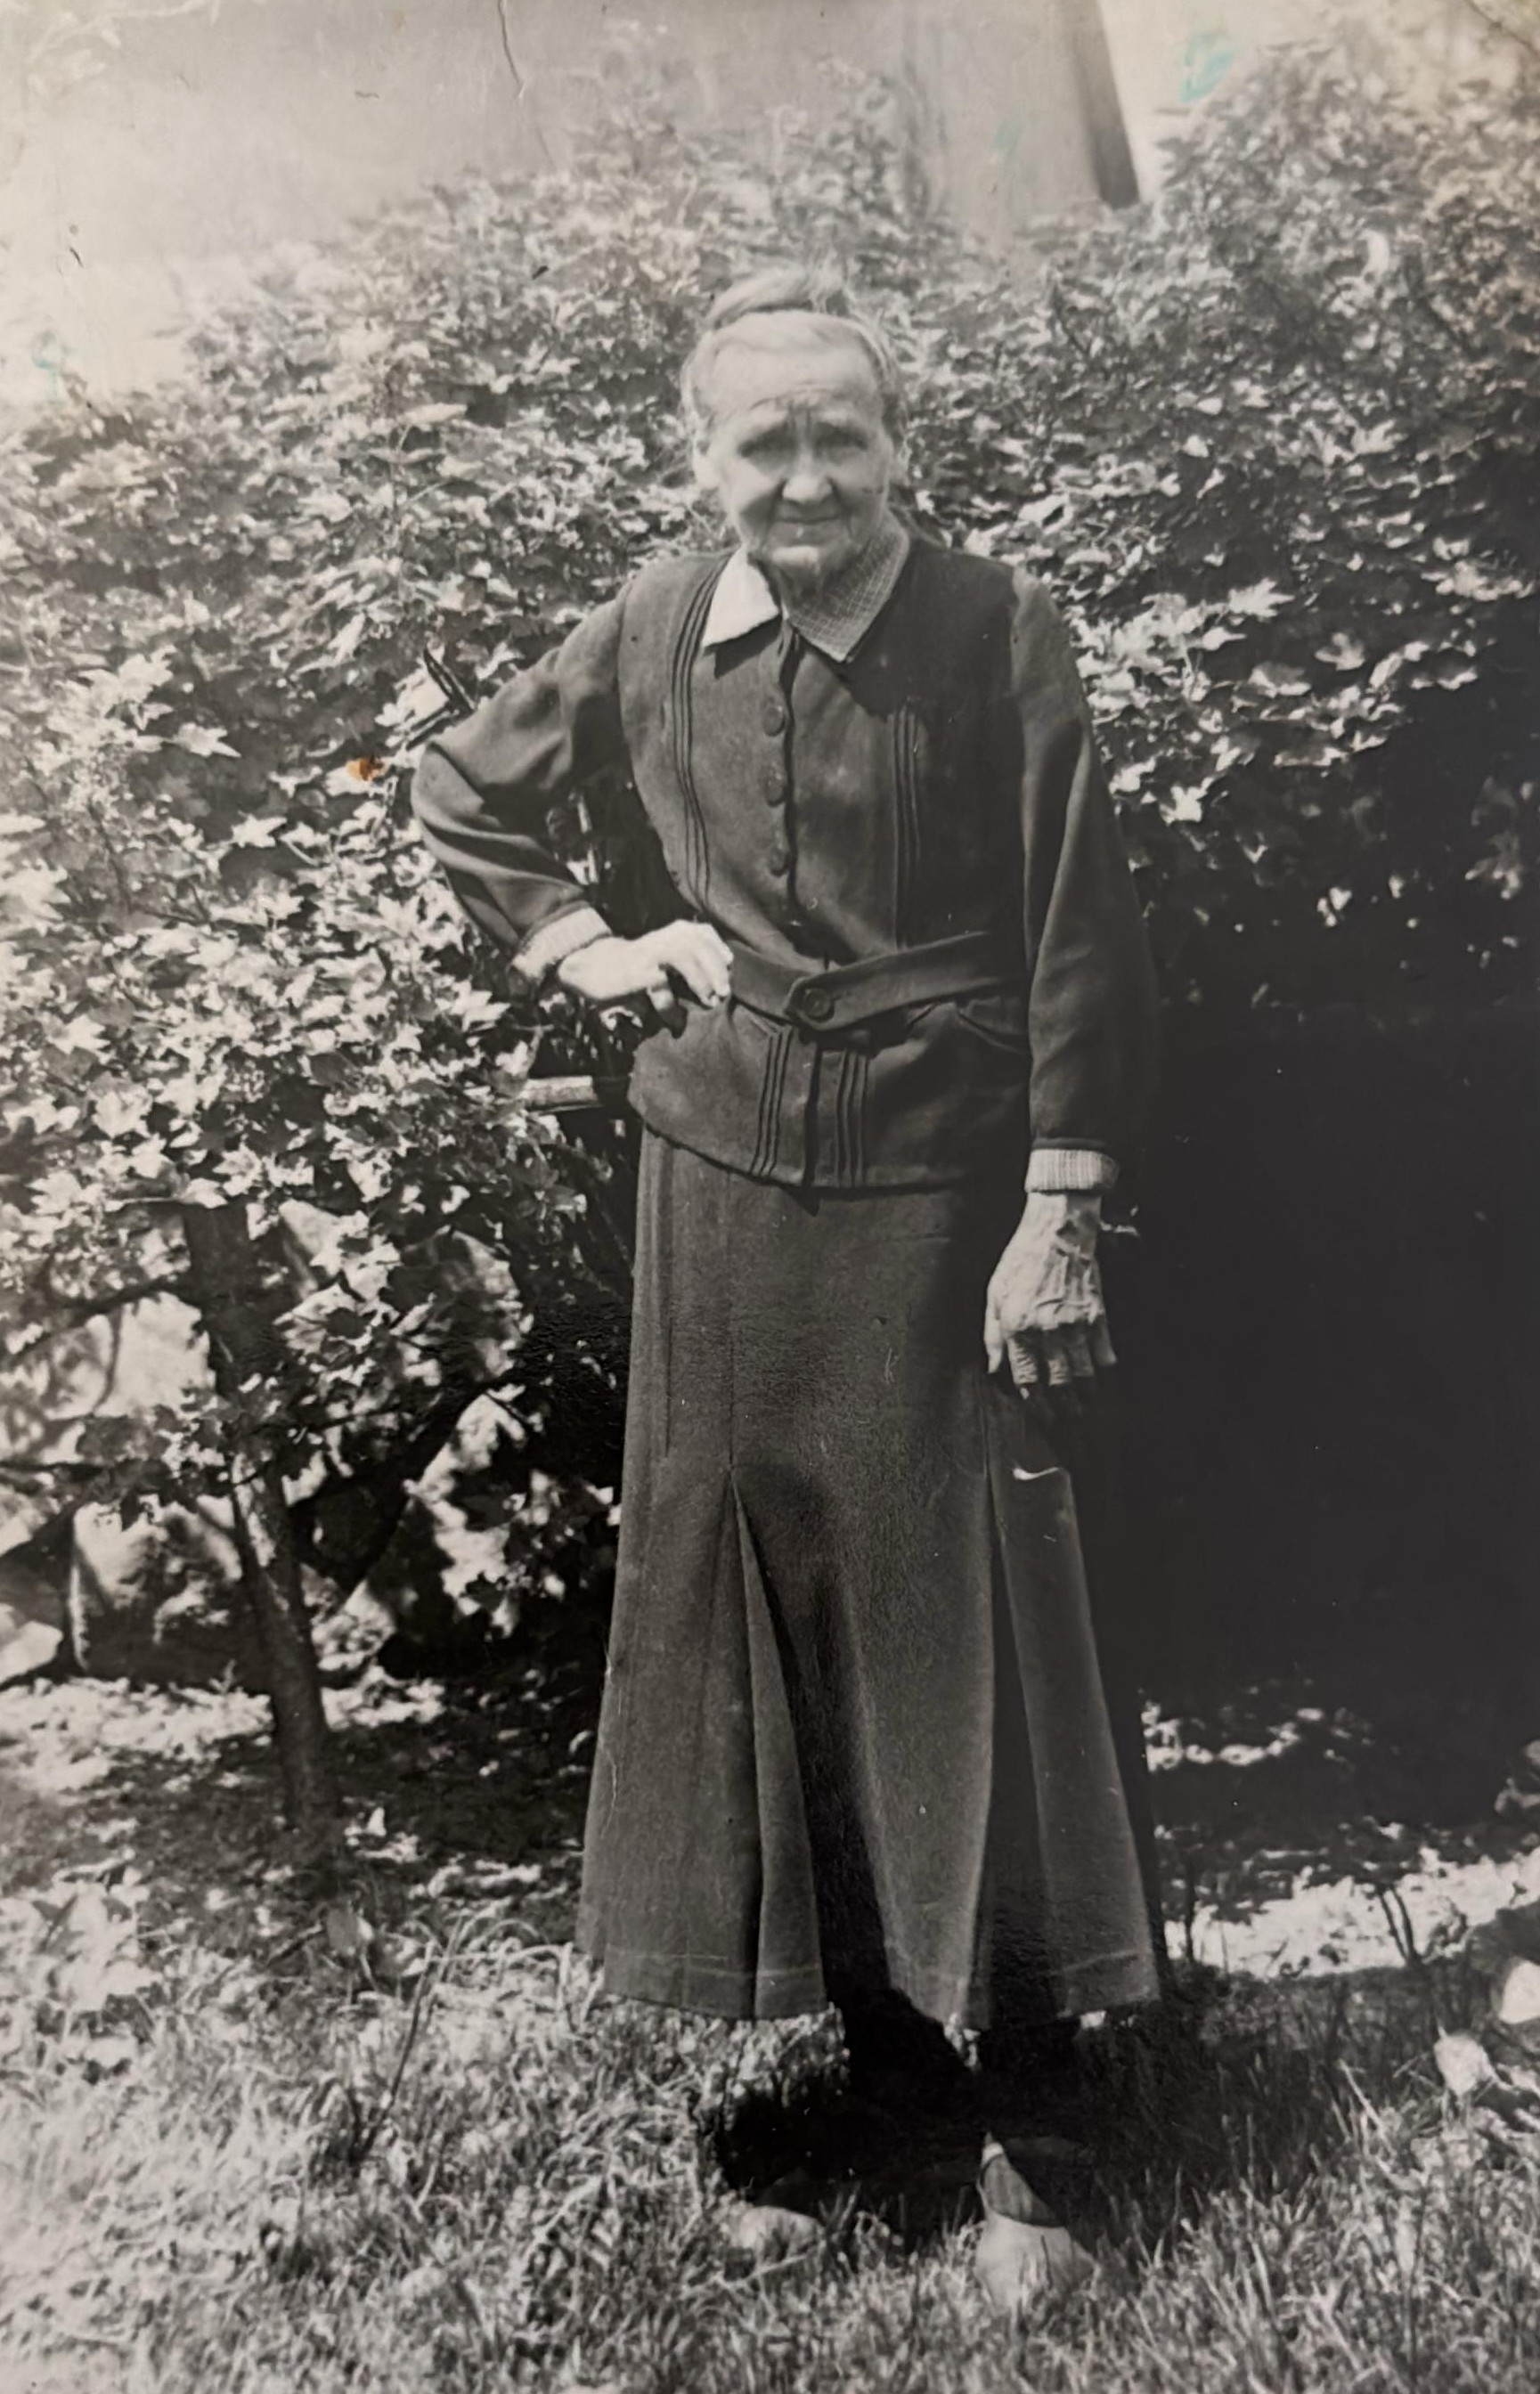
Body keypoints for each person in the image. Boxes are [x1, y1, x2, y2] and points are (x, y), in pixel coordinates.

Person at [411, 262, 1164, 2307]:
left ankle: (1034, 2125)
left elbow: (1081, 931)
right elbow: (464, 789)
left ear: (901, 446)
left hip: (947, 1194)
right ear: (704, 460)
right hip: (725, 1186)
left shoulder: (997, 630)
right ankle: (884, 2082)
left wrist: (1059, 1209)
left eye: (843, 434)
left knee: (974, 1624)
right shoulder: (657, 621)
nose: (808, 477)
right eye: (767, 442)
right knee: (785, 1631)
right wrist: (591, 947)